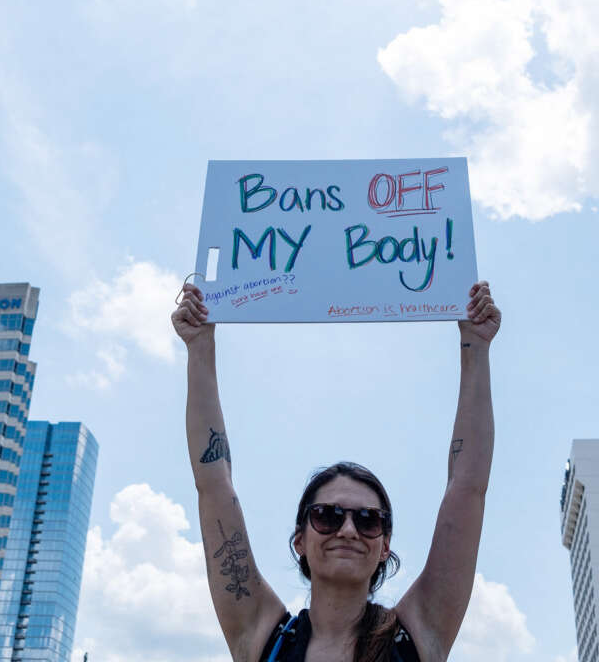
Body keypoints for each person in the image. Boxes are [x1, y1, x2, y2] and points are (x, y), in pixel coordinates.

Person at [171, 281, 500, 662]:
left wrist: (476, 343)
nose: (347, 530)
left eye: (368, 520)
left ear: (384, 547)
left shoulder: (418, 635)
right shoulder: (263, 637)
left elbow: (467, 488)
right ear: (300, 540)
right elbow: (213, 485)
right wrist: (200, 346)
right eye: (326, 516)